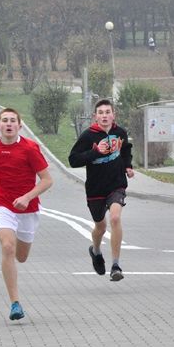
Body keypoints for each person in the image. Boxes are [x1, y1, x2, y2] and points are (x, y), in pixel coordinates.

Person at [0, 108, 52, 321]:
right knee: (8, 247)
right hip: (3, 205)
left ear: (20, 125)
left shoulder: (30, 148)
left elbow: (47, 180)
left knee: (21, 256)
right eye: (4, 121)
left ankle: (19, 237)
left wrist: (27, 197)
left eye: (12, 121)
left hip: (28, 209)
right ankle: (15, 303)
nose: (9, 124)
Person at [69, 98, 134, 282]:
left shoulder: (120, 132)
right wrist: (96, 152)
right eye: (101, 113)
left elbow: (126, 150)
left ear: (114, 115)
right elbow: (73, 160)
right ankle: (96, 251)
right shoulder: (88, 136)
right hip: (96, 188)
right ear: (95, 116)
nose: (104, 116)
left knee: (115, 218)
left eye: (108, 112)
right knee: (100, 226)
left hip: (116, 185)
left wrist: (128, 166)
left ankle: (115, 265)